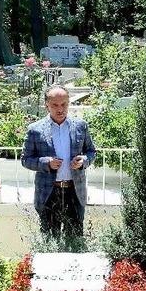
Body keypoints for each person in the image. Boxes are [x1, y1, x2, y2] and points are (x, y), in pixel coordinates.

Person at [21, 85, 96, 239]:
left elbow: (91, 152)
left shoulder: (80, 126)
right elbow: (25, 159)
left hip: (74, 191)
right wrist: (46, 163)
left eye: (64, 104)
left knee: (74, 238)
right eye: (55, 105)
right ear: (46, 105)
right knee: (49, 238)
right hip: (49, 192)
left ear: (69, 103)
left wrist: (84, 160)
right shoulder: (35, 129)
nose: (60, 109)